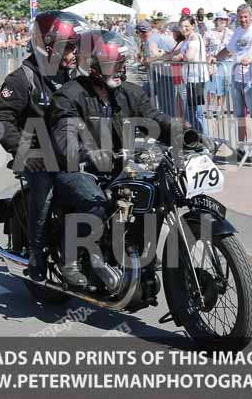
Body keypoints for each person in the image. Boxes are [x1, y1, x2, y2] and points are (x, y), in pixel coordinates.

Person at [46, 29, 178, 288]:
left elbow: (153, 117)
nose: (118, 70)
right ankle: (70, 259)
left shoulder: (129, 92)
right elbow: (66, 137)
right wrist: (89, 152)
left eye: (120, 64)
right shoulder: (69, 95)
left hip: (117, 166)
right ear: (92, 65)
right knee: (96, 203)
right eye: (111, 65)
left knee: (153, 194)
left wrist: (184, 133)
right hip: (77, 168)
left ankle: (137, 251)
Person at [0, 11, 85, 283]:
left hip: (76, 152)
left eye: (77, 46)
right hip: (38, 155)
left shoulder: (75, 76)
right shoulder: (23, 79)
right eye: (69, 47)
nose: (75, 53)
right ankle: (36, 253)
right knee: (45, 186)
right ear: (47, 47)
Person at [213, 3, 252, 155]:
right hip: (237, 78)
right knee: (239, 115)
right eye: (240, 17)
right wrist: (215, 57)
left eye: (246, 17)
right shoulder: (238, 31)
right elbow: (229, 49)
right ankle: (240, 147)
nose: (243, 20)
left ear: (251, 16)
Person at [172, 16, 209, 134]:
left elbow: (189, 56)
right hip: (190, 79)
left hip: (197, 79)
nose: (184, 29)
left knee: (197, 113)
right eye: (182, 27)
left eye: (187, 26)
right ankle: (202, 140)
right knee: (192, 113)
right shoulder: (187, 39)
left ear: (193, 26)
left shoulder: (194, 38)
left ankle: (208, 141)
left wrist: (178, 57)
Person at [205, 11, 233, 117]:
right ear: (216, 20)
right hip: (213, 63)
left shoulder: (230, 33)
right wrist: (208, 56)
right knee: (211, 86)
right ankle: (209, 108)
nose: (223, 21)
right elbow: (203, 47)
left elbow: (233, 48)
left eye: (225, 19)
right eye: (221, 19)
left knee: (223, 86)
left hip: (226, 62)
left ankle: (220, 108)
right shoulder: (209, 33)